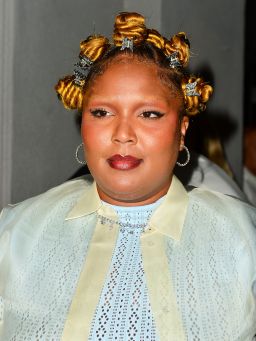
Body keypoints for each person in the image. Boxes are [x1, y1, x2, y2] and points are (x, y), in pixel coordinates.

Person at [0, 12, 255, 341]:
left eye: (149, 114)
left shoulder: (243, 239)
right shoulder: (15, 235)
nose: (123, 134)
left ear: (181, 132)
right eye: (102, 112)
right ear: (83, 124)